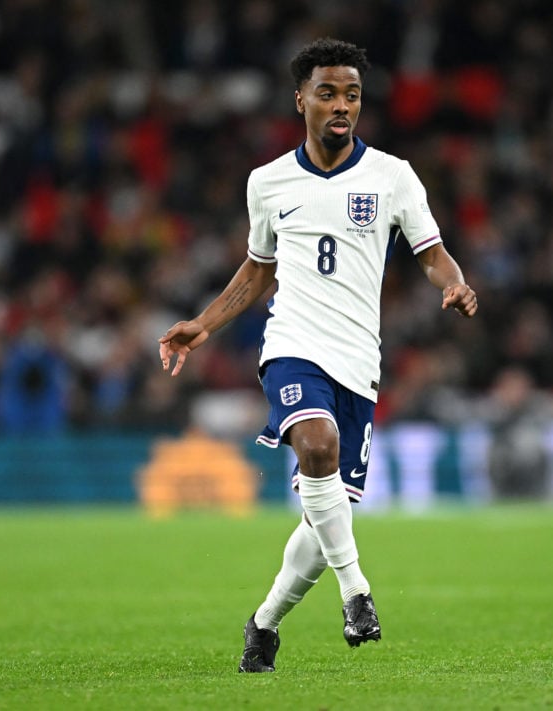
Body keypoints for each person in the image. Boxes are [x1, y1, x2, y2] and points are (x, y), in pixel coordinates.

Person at [158, 38, 478, 673]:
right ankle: (357, 593)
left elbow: (432, 253)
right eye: (328, 93)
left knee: (325, 514)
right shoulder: (269, 182)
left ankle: (264, 623)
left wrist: (455, 285)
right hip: (293, 345)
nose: (342, 105)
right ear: (300, 99)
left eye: (352, 95)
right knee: (316, 449)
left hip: (359, 359)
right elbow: (256, 271)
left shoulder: (393, 176)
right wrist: (204, 323)